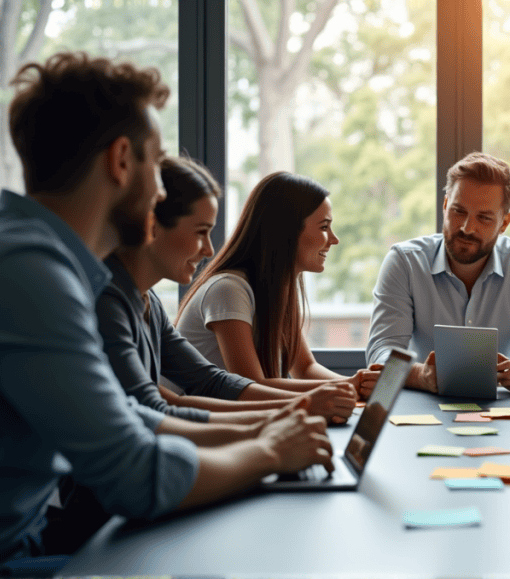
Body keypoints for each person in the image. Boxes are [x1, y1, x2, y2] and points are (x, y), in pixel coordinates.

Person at [0, 52, 334, 576]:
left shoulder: (32, 258)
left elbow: (134, 420)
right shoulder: (24, 270)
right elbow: (133, 475)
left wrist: (268, 430)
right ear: (121, 160)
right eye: (155, 162)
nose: (161, 190)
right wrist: (269, 453)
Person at [98, 155, 357, 427]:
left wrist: (341, 389)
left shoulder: (150, 302)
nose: (209, 250)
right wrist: (296, 411)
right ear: (152, 226)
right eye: (201, 232)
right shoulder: (110, 301)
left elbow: (208, 382)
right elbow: (159, 409)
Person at [366, 152, 510, 394]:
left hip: (504, 410)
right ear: (445, 206)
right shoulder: (404, 262)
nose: (467, 228)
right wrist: (421, 376)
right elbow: (380, 353)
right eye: (459, 211)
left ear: (504, 223)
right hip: (420, 405)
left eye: (484, 218)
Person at [175, 171, 379, 401]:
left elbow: (305, 368)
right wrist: (347, 387)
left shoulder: (278, 291)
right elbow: (252, 387)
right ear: (287, 231)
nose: (334, 239)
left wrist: (355, 384)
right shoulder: (228, 290)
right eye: (324, 227)